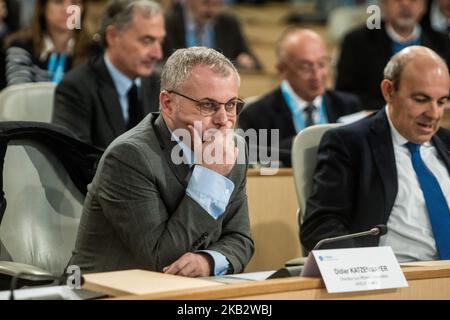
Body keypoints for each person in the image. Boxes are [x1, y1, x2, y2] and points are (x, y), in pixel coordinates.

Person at [66, 46, 254, 277]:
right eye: (208, 105)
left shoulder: (234, 148)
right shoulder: (128, 157)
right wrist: (209, 179)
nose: (224, 120)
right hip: (107, 292)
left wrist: (208, 261)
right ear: (167, 103)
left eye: (231, 105)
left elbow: (240, 238)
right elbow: (160, 262)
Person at [300, 46, 450, 262]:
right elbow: (321, 225)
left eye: (442, 101)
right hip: (393, 279)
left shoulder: (446, 142)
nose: (434, 113)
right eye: (420, 99)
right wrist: (366, 268)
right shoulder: (349, 144)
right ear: (389, 91)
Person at [237, 28, 361, 167]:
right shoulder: (256, 114)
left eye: (322, 64)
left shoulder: (348, 106)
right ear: (282, 70)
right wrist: (305, 143)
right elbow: (256, 163)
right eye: (305, 67)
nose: (316, 75)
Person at [52, 0, 164, 149]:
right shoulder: (76, 88)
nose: (157, 54)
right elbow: (75, 161)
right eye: (147, 40)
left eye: (160, 41)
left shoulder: (161, 86)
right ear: (112, 36)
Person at [336, 0, 450, 110]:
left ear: (424, 6)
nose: (405, 4)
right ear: (383, 4)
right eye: (397, 0)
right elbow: (344, 96)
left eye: (413, 0)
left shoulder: (442, 42)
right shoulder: (357, 41)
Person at [4, 0, 93, 86]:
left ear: (83, 9)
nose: (68, 9)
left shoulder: (93, 51)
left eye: (75, 2)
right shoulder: (21, 46)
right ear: (43, 7)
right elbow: (20, 95)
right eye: (58, 2)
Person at [163, 0, 261, 70]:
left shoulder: (228, 23)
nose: (211, 10)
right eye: (206, 3)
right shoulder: (169, 22)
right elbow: (161, 64)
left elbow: (257, 65)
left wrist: (246, 62)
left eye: (217, 4)